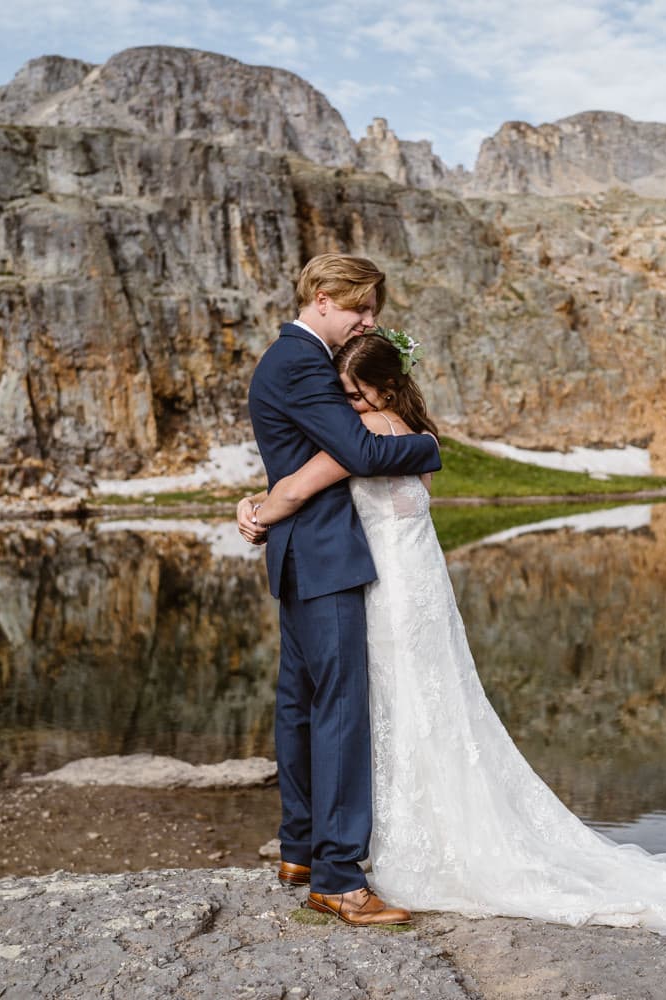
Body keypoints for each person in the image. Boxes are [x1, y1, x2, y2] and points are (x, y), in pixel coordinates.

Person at [240, 332, 666, 940]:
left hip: (388, 590)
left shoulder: (366, 439)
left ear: (385, 388)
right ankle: (390, 833)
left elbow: (301, 488)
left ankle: (383, 841)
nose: (347, 409)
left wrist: (255, 511)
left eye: (355, 396)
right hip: (414, 585)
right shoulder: (411, 434)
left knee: (389, 705)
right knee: (417, 704)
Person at [240, 253, 441, 928]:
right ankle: (337, 878)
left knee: (299, 704)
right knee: (341, 711)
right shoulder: (300, 362)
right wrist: (430, 445)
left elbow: (303, 462)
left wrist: (267, 504)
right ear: (324, 297)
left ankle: (299, 847)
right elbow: (360, 451)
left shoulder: (286, 359)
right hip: (326, 556)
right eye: (360, 308)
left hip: (305, 552)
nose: (368, 322)